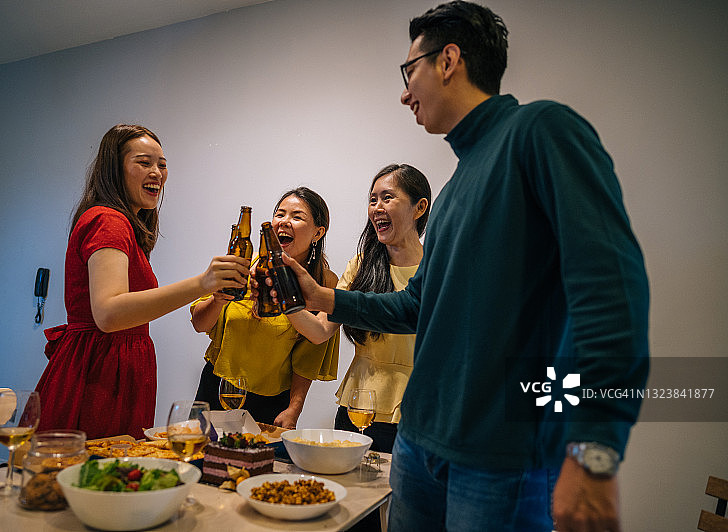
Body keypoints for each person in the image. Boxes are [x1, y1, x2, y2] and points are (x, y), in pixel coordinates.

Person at [279, 3, 650, 531]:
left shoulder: (541, 131)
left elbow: (612, 295)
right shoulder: (453, 191)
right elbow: (416, 305)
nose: (405, 92)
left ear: (449, 60)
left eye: (410, 72)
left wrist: (594, 452)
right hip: (418, 446)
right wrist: (323, 298)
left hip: (503, 459)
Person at [34, 124, 249, 440]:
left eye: (162, 165)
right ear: (114, 169)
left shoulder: (124, 225)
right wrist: (203, 282)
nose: (157, 173)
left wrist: (213, 293)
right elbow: (108, 314)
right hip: (99, 371)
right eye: (144, 162)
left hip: (118, 366)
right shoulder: (107, 220)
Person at [284, 164, 430, 453]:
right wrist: (286, 301)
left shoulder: (439, 267)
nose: (376, 207)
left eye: (387, 198)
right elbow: (319, 331)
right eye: (372, 199)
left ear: (419, 207)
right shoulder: (362, 266)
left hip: (421, 407)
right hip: (360, 408)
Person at [191, 187, 340, 428]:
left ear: (318, 232)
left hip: (271, 402)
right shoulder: (242, 264)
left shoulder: (324, 284)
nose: (284, 222)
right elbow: (199, 324)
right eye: (280, 214)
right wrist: (218, 299)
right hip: (218, 388)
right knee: (206, 462)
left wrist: (294, 408)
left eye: (297, 217)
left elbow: (309, 357)